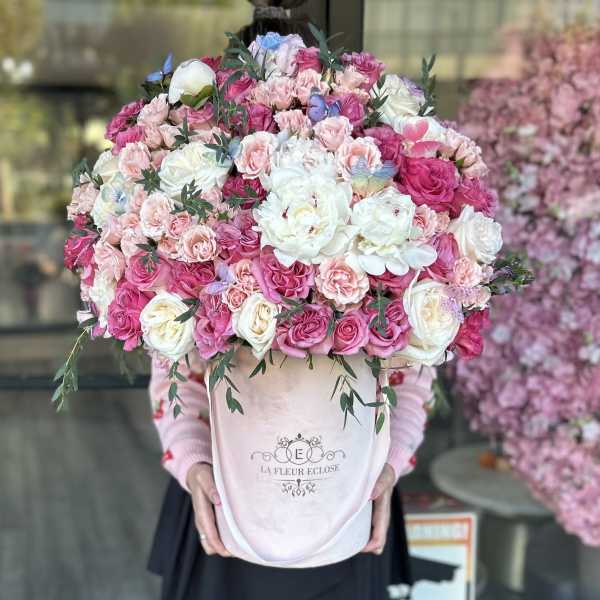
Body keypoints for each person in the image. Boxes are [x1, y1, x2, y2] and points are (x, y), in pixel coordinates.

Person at [147, 2, 435, 598]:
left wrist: (389, 464)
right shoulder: (200, 221)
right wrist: (194, 465)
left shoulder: (375, 218)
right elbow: (172, 365)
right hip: (226, 494)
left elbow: (413, 368)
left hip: (349, 490)